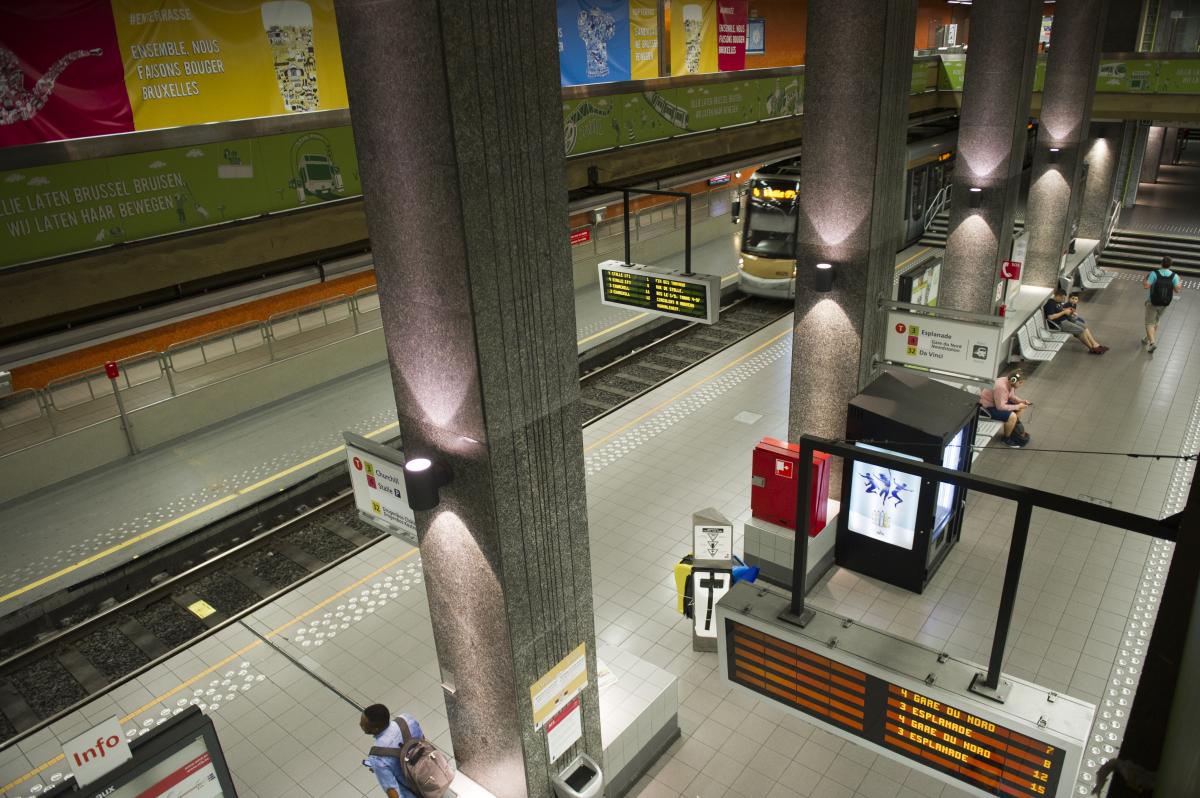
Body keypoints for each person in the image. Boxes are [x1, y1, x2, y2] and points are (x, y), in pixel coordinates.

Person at [360, 704, 419, 798]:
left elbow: (393, 792)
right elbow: (423, 741)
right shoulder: (406, 719)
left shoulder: (377, 757)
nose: (360, 724)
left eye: (363, 724)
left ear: (375, 729)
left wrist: (380, 769)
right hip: (433, 774)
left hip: (414, 792)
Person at [1044, 288, 1107, 354]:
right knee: (1081, 331)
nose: (1063, 300)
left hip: (1066, 320)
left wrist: (1067, 310)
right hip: (1059, 324)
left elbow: (1059, 309)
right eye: (1062, 298)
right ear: (1058, 296)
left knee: (1083, 327)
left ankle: (1095, 345)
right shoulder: (1050, 304)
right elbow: (1050, 317)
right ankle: (1091, 348)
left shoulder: (1057, 302)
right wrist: (1064, 312)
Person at [980, 372, 1032, 448]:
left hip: (997, 403)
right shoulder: (1001, 387)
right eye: (1020, 383)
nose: (1021, 385)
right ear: (1014, 380)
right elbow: (1000, 407)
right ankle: (1006, 439)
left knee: (1021, 408)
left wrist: (1021, 401)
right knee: (1012, 417)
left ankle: (1011, 428)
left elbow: (1011, 396)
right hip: (987, 408)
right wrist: (1017, 406)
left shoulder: (1009, 382)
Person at [1143, 256, 1182, 353]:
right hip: (1164, 303)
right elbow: (1177, 290)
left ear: (1161, 263)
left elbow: (1146, 286)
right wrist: (1179, 283)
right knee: (1156, 320)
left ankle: (1152, 342)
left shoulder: (1154, 273)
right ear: (1170, 265)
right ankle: (1147, 338)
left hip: (1153, 302)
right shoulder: (1174, 276)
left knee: (1149, 323)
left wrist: (1144, 279)